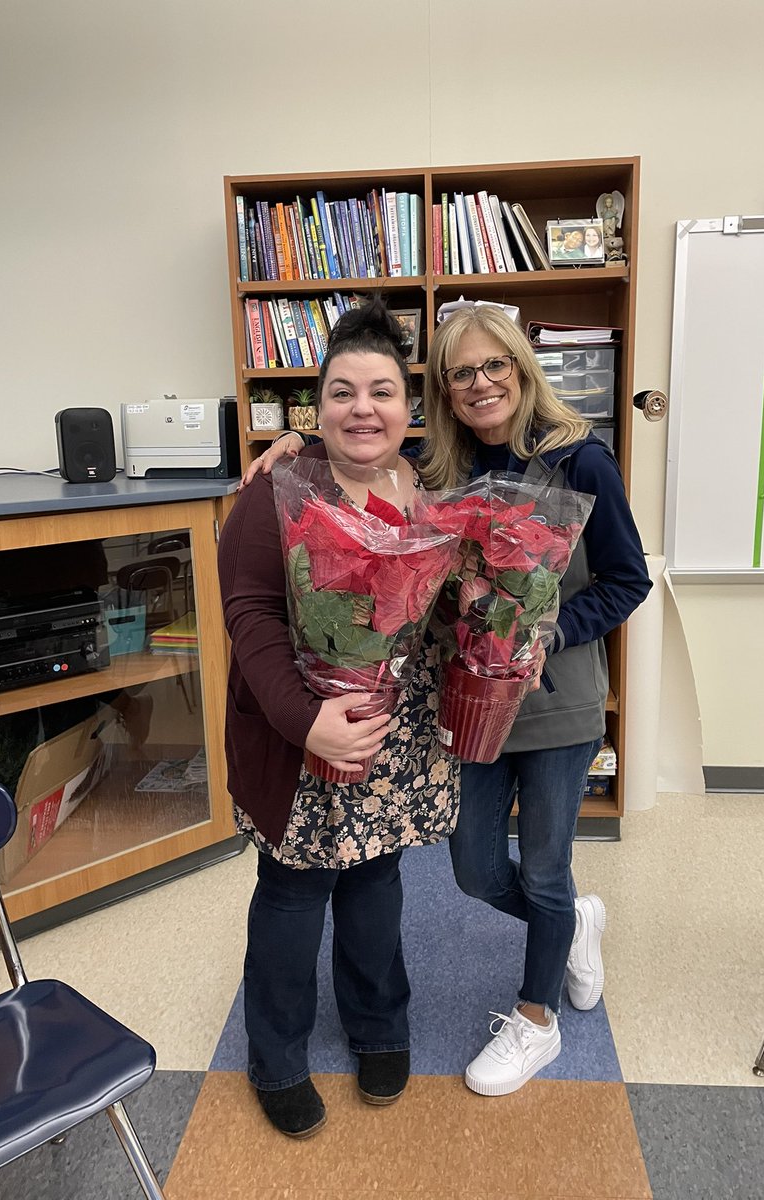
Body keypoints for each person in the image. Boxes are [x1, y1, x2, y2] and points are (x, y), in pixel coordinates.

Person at [247, 305, 651, 1097]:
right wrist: (293, 443)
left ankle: (537, 1020)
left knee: (541, 868)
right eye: (461, 372)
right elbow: (359, 440)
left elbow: (627, 581)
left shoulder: (581, 462)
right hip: (465, 705)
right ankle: (571, 922)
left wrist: (548, 632)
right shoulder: (440, 465)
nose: (480, 383)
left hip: (555, 700)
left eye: (494, 365)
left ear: (521, 367)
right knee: (471, 869)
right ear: (443, 388)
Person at [218, 299, 459, 1139]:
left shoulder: (425, 484)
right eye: (344, 392)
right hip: (304, 732)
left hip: (393, 736)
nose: (364, 408)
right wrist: (304, 722)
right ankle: (275, 1055)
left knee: (376, 883)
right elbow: (248, 615)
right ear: (314, 408)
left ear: (408, 406)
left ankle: (378, 1024)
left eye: (383, 391)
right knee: (292, 893)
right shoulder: (279, 489)